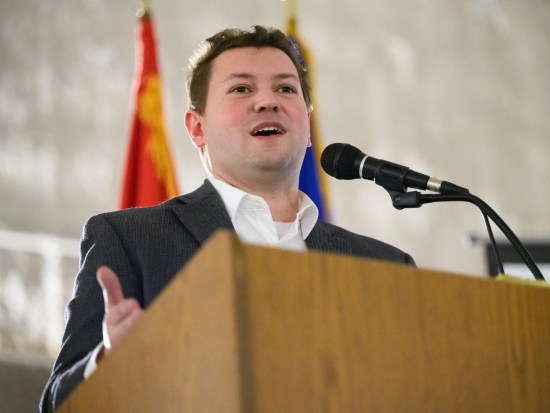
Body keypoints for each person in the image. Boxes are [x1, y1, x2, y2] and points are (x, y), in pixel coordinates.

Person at [40, 25, 414, 412]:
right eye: (241, 89)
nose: (268, 101)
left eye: (286, 89)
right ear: (197, 128)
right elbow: (57, 404)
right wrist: (110, 362)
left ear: (307, 125)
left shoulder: (384, 267)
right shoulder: (130, 238)